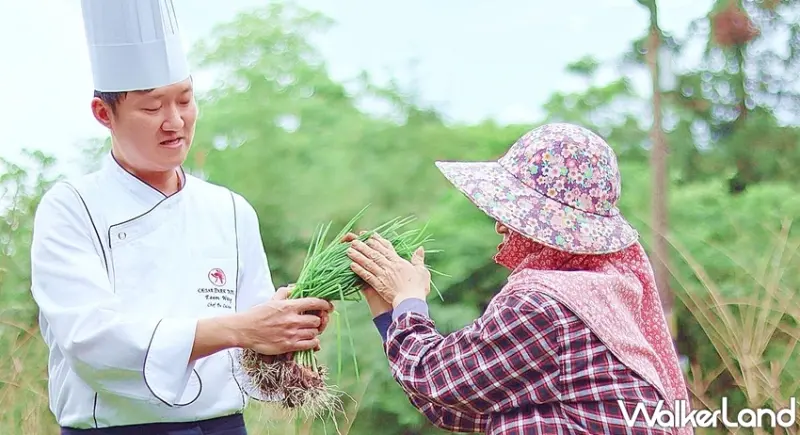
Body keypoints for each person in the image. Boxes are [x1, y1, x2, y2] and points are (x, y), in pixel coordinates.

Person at [29, 1, 333, 433]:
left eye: (185, 101)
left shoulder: (230, 210)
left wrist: (283, 335)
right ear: (103, 113)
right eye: (152, 108)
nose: (175, 122)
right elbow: (90, 339)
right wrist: (238, 328)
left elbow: (249, 351)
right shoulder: (72, 207)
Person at [346, 123, 693, 434]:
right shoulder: (598, 294)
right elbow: (455, 408)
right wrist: (386, 307)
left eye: (513, 214)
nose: (500, 225)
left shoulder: (544, 305)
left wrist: (408, 297)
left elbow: (436, 378)